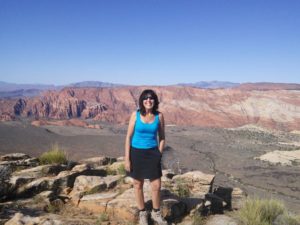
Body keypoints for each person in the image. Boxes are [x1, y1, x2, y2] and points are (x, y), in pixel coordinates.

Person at [125, 89, 167, 225]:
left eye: (151, 98)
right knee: (138, 184)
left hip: (152, 153)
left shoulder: (159, 116)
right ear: (142, 101)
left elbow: (162, 137)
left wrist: (159, 154)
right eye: (145, 98)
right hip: (136, 153)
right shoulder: (135, 115)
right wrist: (127, 158)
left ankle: (156, 213)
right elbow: (128, 137)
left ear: (154, 101)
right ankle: (143, 213)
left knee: (156, 185)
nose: (148, 100)